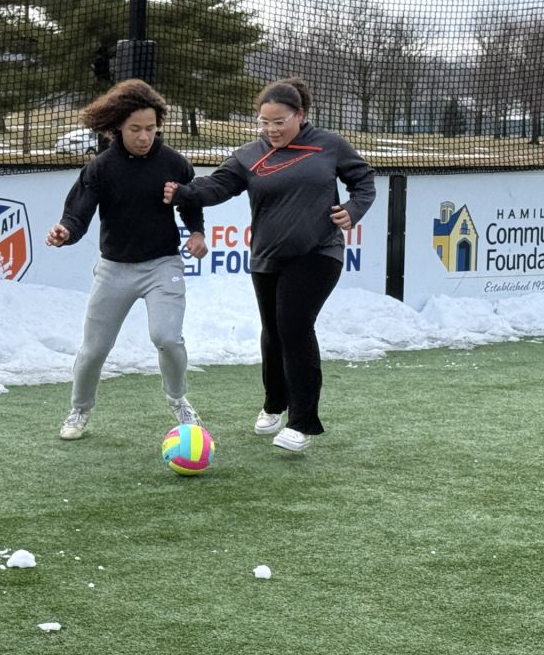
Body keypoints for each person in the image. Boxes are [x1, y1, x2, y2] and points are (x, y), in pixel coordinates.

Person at [163, 78, 375, 452]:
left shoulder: (329, 145)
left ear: (300, 115)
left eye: (279, 122)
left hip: (319, 252)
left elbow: (364, 180)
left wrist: (353, 210)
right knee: (273, 332)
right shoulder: (249, 155)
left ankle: (302, 423)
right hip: (266, 257)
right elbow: (217, 187)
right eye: (264, 122)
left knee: (294, 326)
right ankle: (274, 403)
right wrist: (183, 192)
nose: (271, 129)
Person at [46, 79, 209, 440]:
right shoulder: (101, 168)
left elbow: (191, 202)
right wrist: (65, 232)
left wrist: (197, 233)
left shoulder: (174, 163)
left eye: (151, 128)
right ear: (118, 126)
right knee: (94, 350)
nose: (144, 136)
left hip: (162, 265)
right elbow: (77, 215)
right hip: (114, 270)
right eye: (136, 128)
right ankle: (79, 409)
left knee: (167, 337)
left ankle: (179, 400)